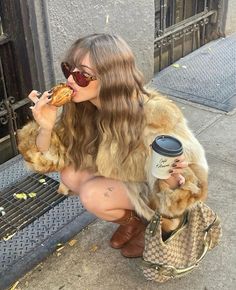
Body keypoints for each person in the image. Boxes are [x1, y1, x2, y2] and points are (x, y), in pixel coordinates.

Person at [18, 33, 208, 258]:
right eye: (69, 70)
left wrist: (173, 180)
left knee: (92, 194)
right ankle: (134, 222)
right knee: (70, 175)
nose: (70, 80)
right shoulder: (81, 109)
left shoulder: (155, 115)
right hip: (123, 181)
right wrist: (46, 127)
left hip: (155, 188)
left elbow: (191, 180)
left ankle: (153, 226)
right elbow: (49, 157)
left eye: (83, 76)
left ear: (111, 78)